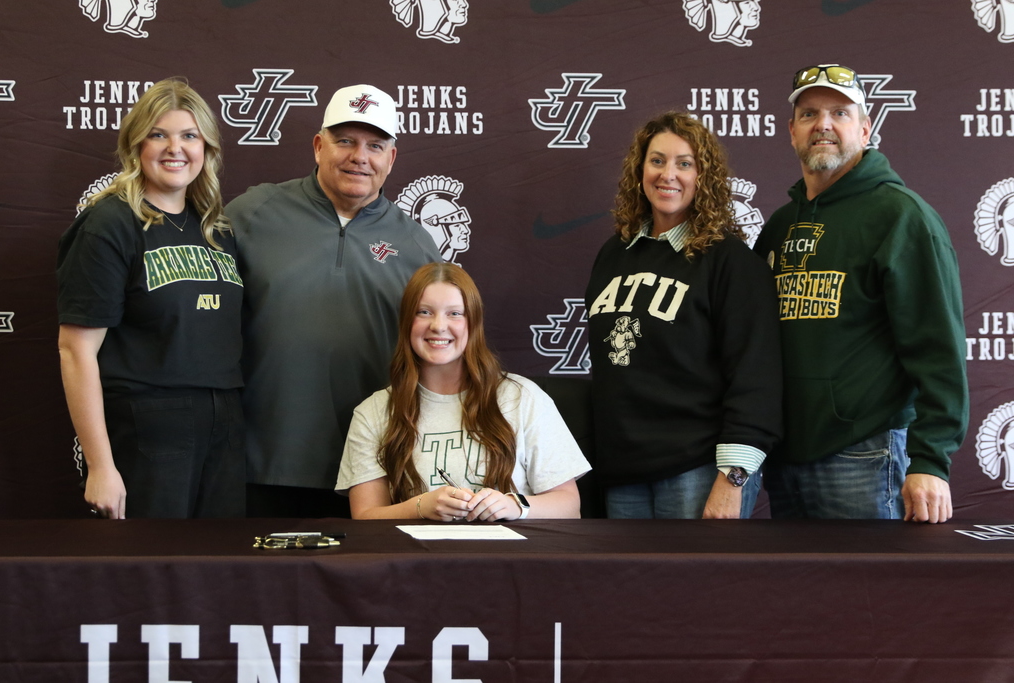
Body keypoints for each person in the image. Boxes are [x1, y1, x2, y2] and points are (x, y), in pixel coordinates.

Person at [754, 64, 969, 523]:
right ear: (791, 131)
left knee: (867, 595)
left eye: (840, 112)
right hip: (784, 454)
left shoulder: (901, 217)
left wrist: (931, 460)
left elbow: (940, 350)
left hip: (863, 454)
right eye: (809, 114)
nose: (823, 124)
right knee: (796, 595)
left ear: (866, 127)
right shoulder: (777, 226)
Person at [226, 84, 441, 518]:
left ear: (391, 158)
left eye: (374, 145)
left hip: (374, 469)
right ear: (318, 146)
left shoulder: (417, 245)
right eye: (345, 141)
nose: (359, 156)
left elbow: (439, 357)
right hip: (262, 460)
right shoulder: (251, 214)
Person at [57, 78, 244, 519]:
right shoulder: (110, 224)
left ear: (208, 149)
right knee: (153, 572)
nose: (174, 148)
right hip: (149, 424)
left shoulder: (215, 229)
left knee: (221, 571)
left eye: (189, 136)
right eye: (158, 134)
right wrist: (101, 465)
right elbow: (75, 350)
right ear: (136, 145)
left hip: (226, 421)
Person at [585, 111, 782, 519]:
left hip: (697, 470)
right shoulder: (613, 254)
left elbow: (756, 379)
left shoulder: (730, 263)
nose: (667, 174)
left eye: (684, 163)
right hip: (623, 472)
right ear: (640, 170)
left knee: (697, 584)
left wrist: (733, 479)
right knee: (629, 585)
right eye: (657, 160)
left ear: (703, 176)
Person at [337, 263, 589, 520]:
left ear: (474, 323)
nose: (438, 325)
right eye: (424, 312)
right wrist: (421, 506)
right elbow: (365, 517)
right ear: (406, 323)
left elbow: (569, 506)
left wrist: (514, 506)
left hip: (511, 558)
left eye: (455, 313)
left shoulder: (523, 398)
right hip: (416, 558)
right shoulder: (373, 412)